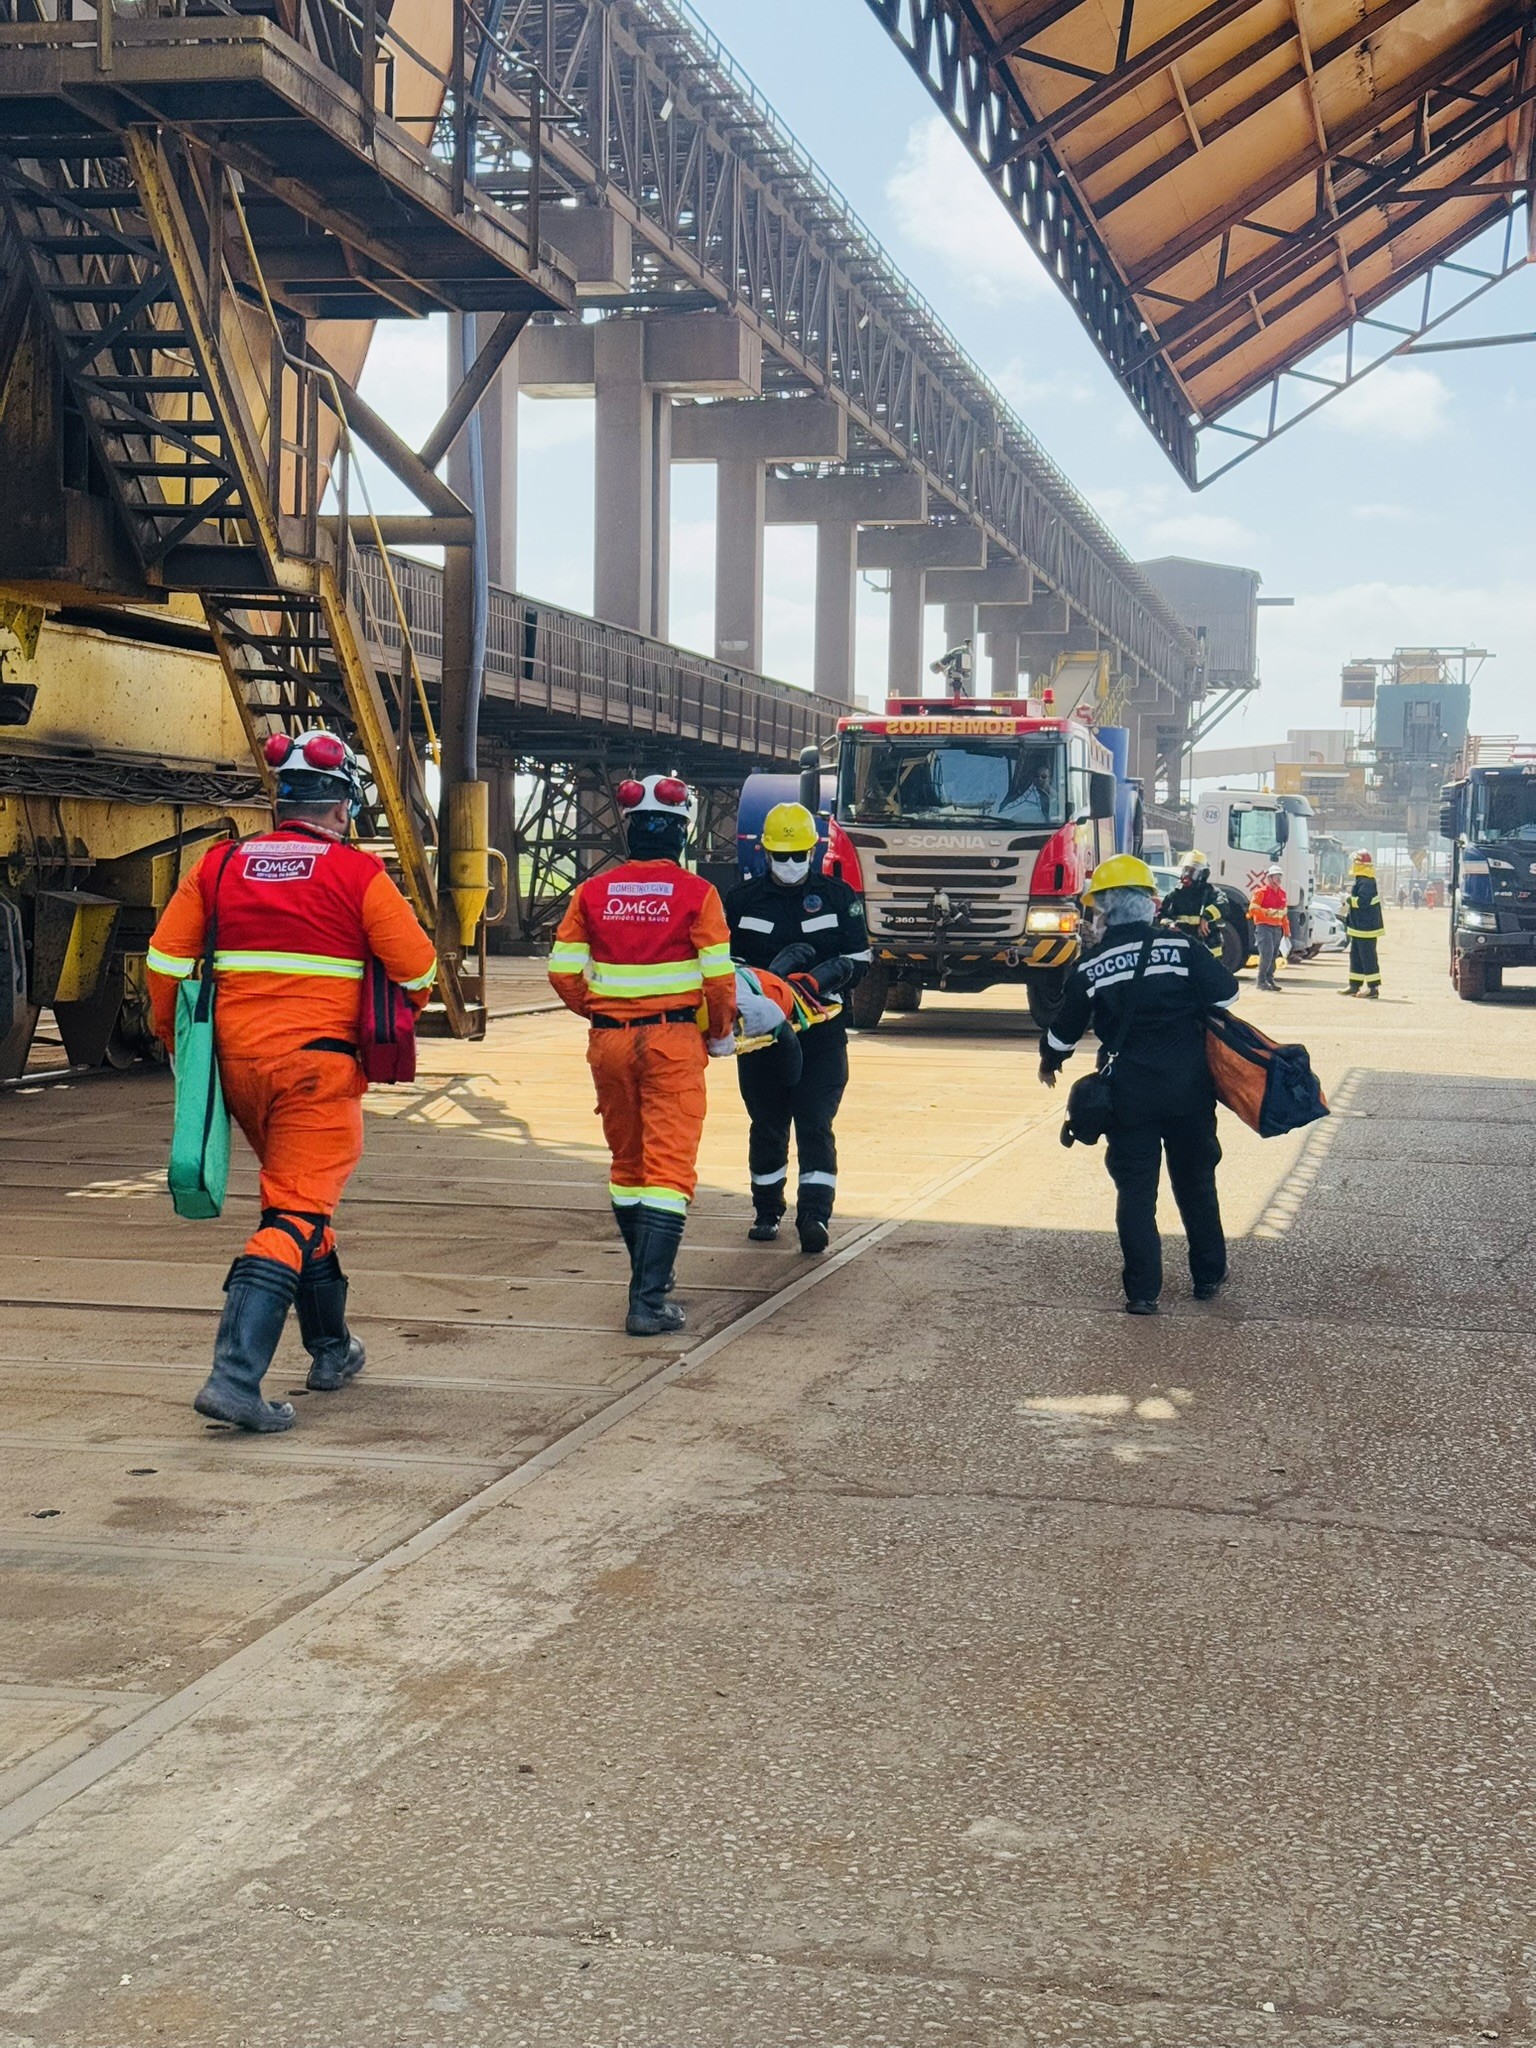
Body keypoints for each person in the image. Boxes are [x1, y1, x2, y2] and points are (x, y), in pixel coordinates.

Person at [146, 730, 439, 1433]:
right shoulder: (357, 874)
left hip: (235, 1067)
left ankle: (333, 1349)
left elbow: (164, 964)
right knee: (295, 1214)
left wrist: (174, 1043)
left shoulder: (219, 867)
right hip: (317, 1068)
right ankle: (233, 1379)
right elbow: (419, 969)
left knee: (299, 1205)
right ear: (342, 809)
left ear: (284, 804)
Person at [548, 774, 737, 1336]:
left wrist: (602, 1013)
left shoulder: (592, 892)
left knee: (628, 1167)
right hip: (672, 1042)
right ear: (682, 834)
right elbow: (720, 981)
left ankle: (644, 1280)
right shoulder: (698, 894)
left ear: (628, 832)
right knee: (669, 1170)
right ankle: (648, 1302)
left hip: (609, 1042)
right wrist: (720, 1034)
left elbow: (561, 972)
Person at [1039, 854, 1239, 1315]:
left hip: (1128, 1095)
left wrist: (1050, 1062)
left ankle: (1142, 1292)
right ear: (1151, 905)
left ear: (1104, 912)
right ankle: (1208, 1276)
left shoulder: (1092, 965)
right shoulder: (1183, 948)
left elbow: (1063, 1032)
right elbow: (1227, 993)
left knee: (1136, 1193)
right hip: (1189, 1089)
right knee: (1195, 1183)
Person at [724, 802, 870, 1252]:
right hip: (761, 1036)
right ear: (766, 854)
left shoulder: (838, 897)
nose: (790, 864)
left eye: (798, 855)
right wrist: (770, 979)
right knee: (766, 1122)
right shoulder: (740, 902)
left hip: (821, 1033)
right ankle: (767, 1210)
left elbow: (862, 959)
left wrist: (827, 975)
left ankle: (815, 1216)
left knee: (815, 1122)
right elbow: (723, 968)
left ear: (813, 850)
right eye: (781, 856)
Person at [1159, 850, 1224, 957]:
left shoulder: (1210, 892)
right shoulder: (1175, 894)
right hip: (1181, 944)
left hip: (1208, 945)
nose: (1187, 875)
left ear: (1202, 873)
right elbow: (1162, 915)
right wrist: (1169, 924)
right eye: (1186, 870)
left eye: (1192, 871)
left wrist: (1206, 917)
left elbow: (1223, 904)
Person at [1341, 850, 1385, 998]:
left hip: (1367, 928)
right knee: (1356, 957)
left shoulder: (1367, 882)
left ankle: (1373, 988)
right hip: (1359, 927)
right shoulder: (1362, 879)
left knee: (1368, 957)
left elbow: (1363, 902)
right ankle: (1354, 985)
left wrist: (1348, 899)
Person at [1250, 864, 1289, 992]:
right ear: (1270, 878)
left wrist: (1286, 930)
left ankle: (1269, 979)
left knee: (1274, 954)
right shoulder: (1260, 892)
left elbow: (1284, 913)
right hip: (1263, 926)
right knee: (1266, 953)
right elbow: (1253, 909)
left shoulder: (1282, 893)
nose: (1279, 879)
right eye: (1276, 877)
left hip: (1277, 927)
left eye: (1280, 877)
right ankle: (1261, 981)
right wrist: (1267, 912)